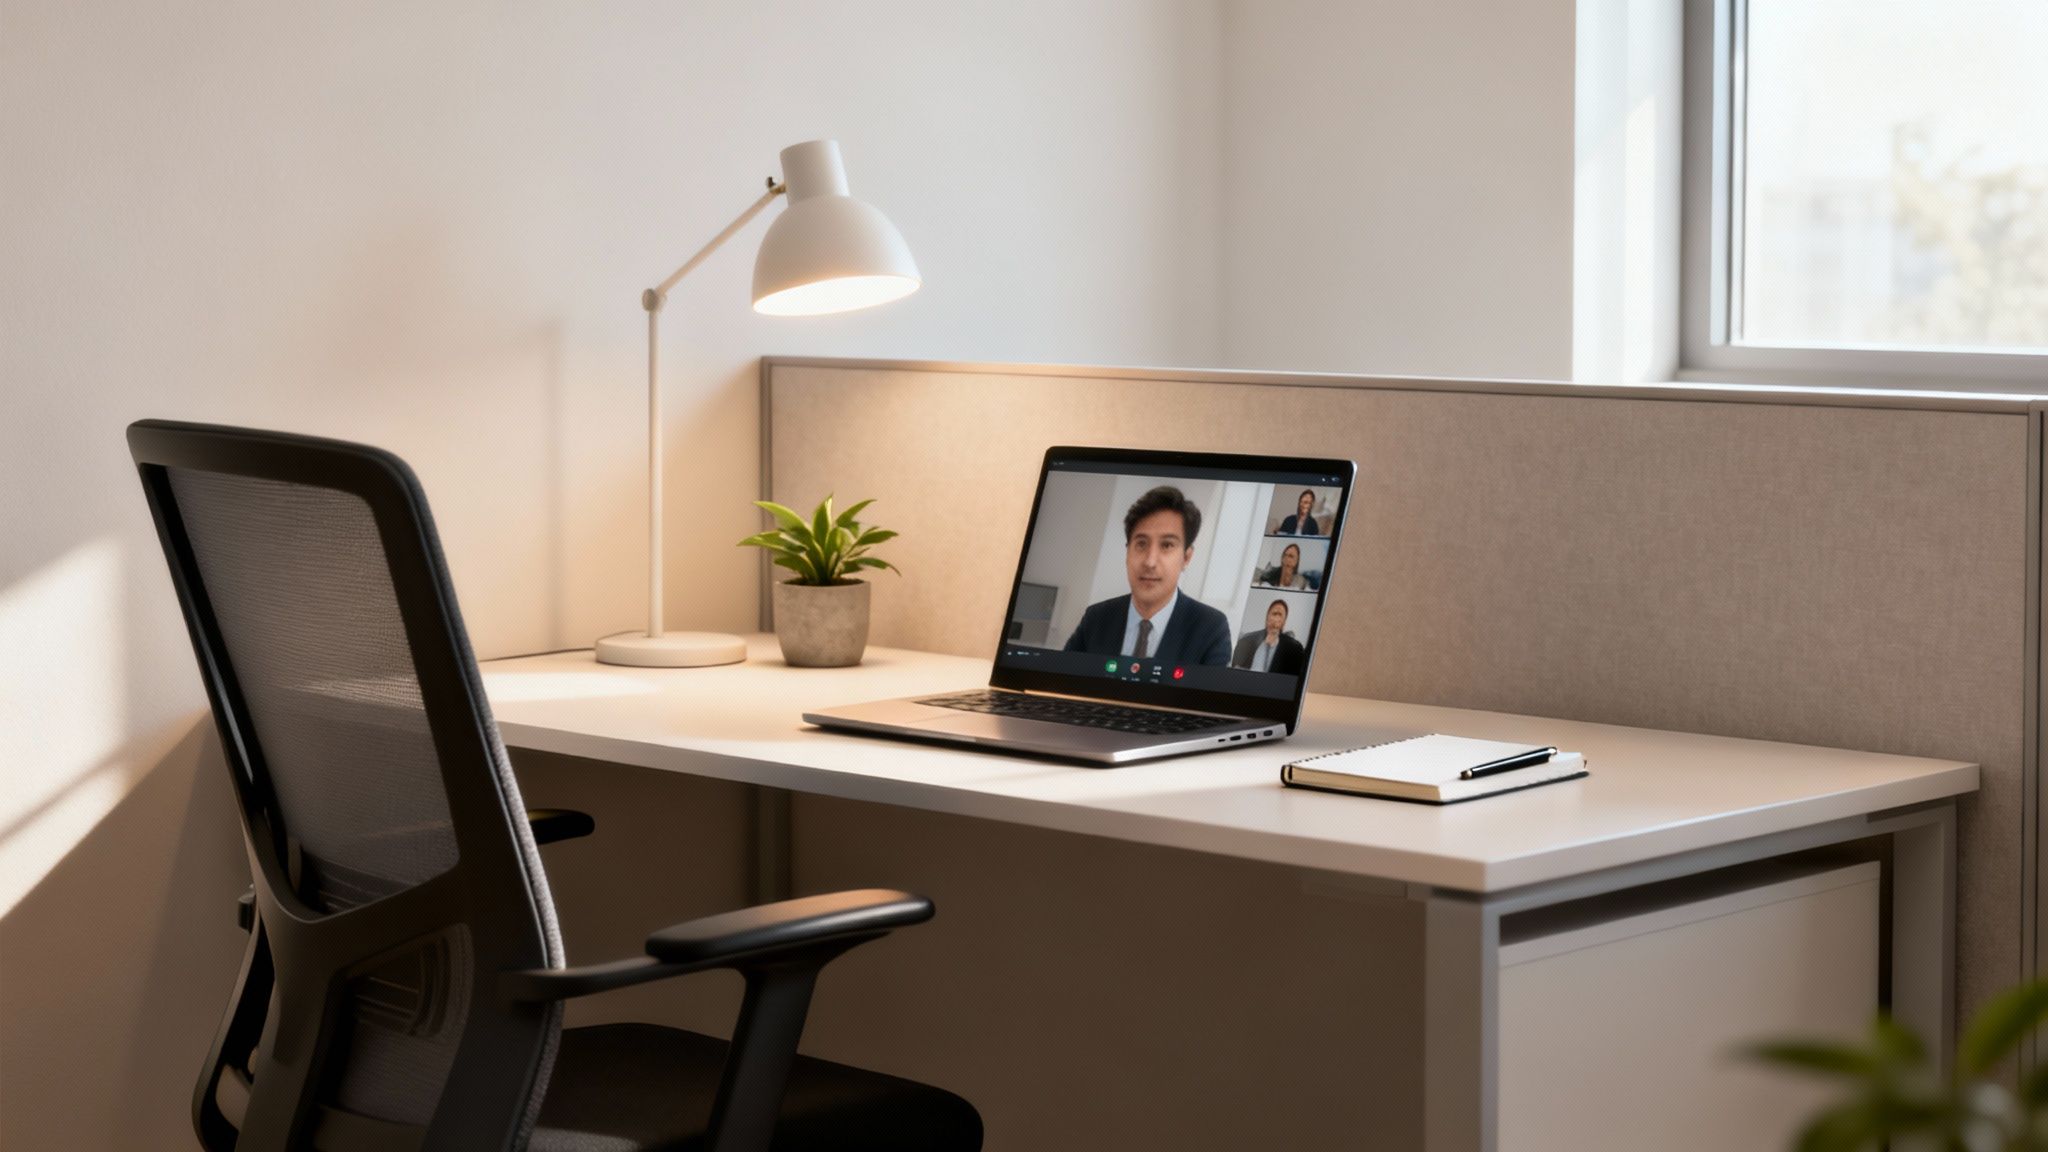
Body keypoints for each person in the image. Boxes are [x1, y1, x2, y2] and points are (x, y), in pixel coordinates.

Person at [1063, 486, 1233, 665]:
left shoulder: (1211, 628)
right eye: (1141, 544)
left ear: (1186, 557)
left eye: (1167, 545)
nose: (1150, 562)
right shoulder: (1096, 618)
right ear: (1128, 553)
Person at [1231, 599, 1306, 675]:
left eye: (1279, 614)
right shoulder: (1247, 640)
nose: (1276, 619)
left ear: (1284, 622)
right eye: (1274, 614)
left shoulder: (1295, 649)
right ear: (1267, 618)